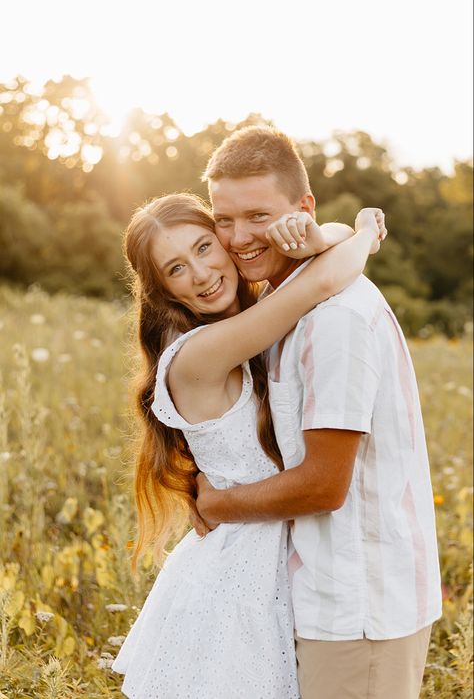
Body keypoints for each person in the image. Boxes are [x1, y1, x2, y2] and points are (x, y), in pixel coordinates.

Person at [195, 126, 442, 699]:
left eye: (257, 216)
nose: (237, 237)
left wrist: (216, 504)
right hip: (319, 595)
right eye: (223, 219)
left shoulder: (336, 319)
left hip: (360, 607)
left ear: (302, 208)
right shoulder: (285, 303)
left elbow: (326, 485)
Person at [111, 192, 383, 698]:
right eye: (175, 268)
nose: (200, 273)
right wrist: (366, 229)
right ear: (163, 290)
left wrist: (334, 234)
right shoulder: (199, 353)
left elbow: (329, 253)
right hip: (234, 583)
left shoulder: (247, 325)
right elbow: (324, 278)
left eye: (204, 247)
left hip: (273, 564)